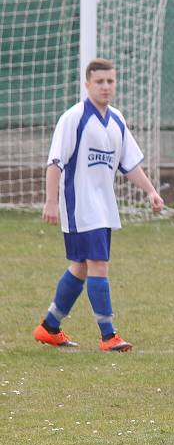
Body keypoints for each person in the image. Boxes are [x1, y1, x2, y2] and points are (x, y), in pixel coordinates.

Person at [33, 57, 164, 351]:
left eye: (110, 81)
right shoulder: (75, 117)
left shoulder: (116, 119)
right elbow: (54, 163)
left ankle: (49, 326)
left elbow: (129, 164)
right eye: (100, 82)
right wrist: (51, 202)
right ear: (87, 84)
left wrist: (150, 191)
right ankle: (108, 336)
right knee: (98, 265)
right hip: (79, 205)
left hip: (103, 206)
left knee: (80, 267)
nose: (106, 87)